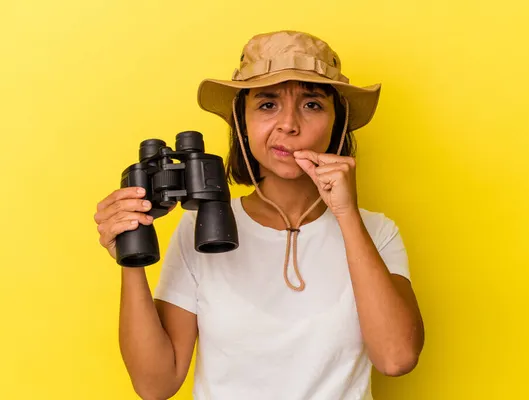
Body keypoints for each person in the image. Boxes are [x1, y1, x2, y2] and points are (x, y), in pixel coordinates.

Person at [94, 30, 425, 400]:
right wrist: (131, 257)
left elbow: (396, 358)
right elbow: (156, 384)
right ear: (242, 124)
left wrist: (346, 215)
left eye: (312, 104)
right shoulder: (197, 228)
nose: (289, 124)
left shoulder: (378, 232)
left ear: (338, 124)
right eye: (267, 105)